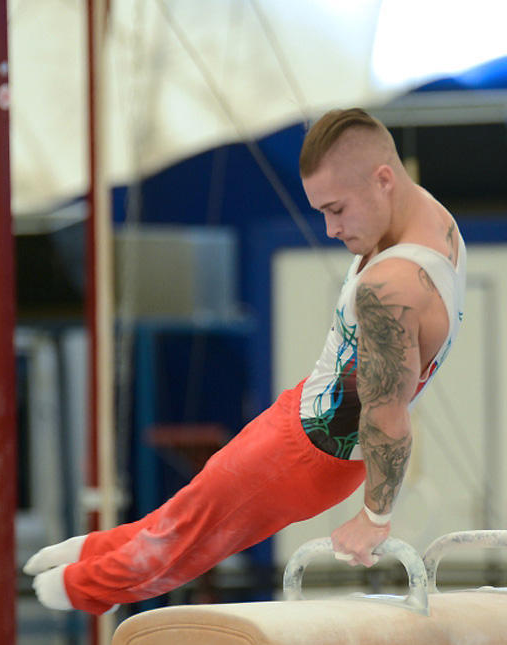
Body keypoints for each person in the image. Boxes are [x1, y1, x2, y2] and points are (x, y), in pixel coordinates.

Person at [25, 108, 466, 615]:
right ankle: (93, 550)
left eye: (337, 209)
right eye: (322, 210)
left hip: (309, 458)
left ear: (383, 179)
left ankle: (76, 588)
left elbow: (389, 416)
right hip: (306, 409)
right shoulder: (434, 218)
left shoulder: (394, 288)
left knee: (189, 545)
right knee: (194, 506)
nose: (330, 228)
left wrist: (374, 517)